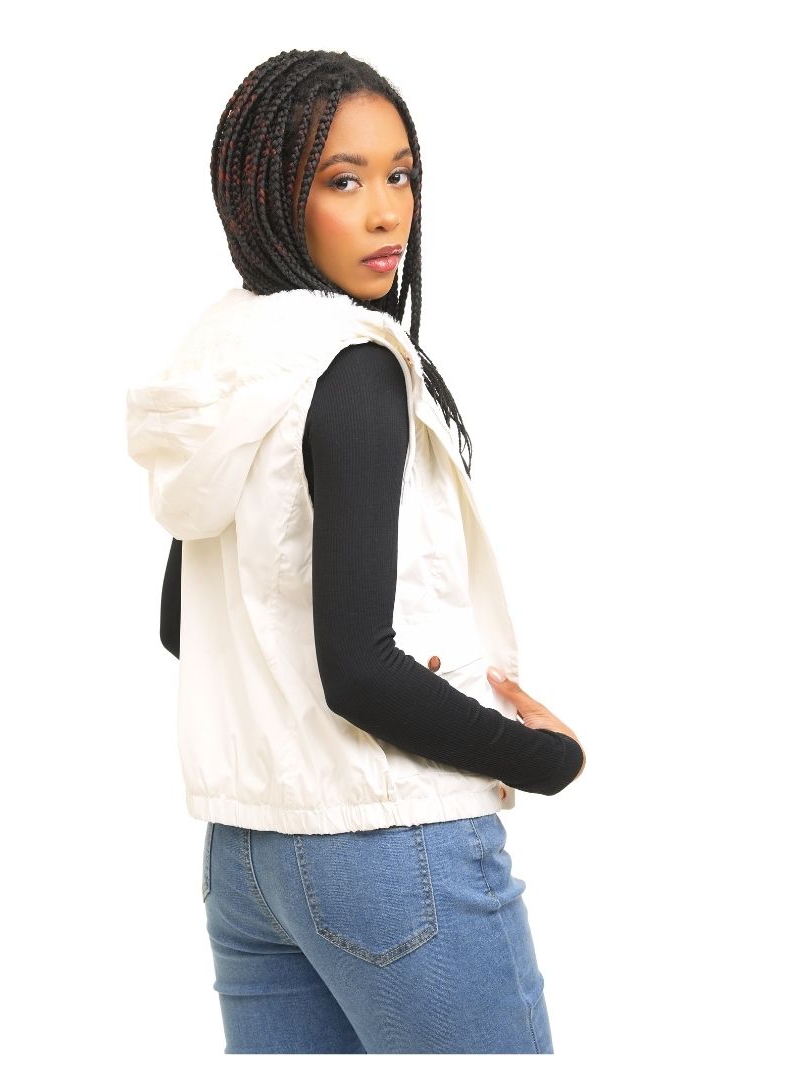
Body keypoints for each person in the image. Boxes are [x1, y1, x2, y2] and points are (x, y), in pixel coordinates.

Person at [127, 48, 586, 1055]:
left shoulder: (226, 367)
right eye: (343, 181)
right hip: (394, 848)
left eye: (400, 175)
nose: (386, 214)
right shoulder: (353, 372)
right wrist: (548, 756)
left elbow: (181, 625)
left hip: (249, 861)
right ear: (265, 198)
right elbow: (359, 673)